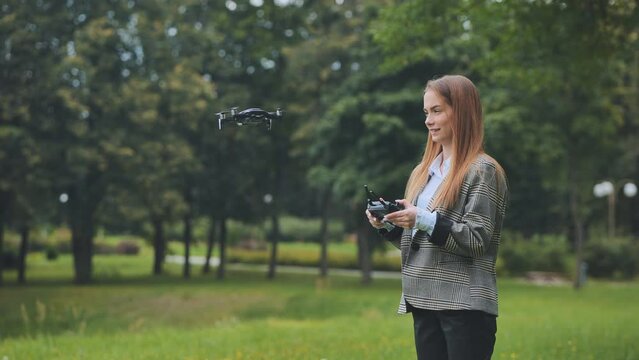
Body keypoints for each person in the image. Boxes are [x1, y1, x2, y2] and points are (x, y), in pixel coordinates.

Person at [365, 75, 508, 360]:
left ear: (463, 111)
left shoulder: (483, 170)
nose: (429, 120)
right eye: (426, 113)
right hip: (424, 300)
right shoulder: (423, 171)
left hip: (464, 308)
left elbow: (477, 239)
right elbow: (421, 241)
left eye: (437, 111)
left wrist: (424, 219)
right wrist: (391, 224)